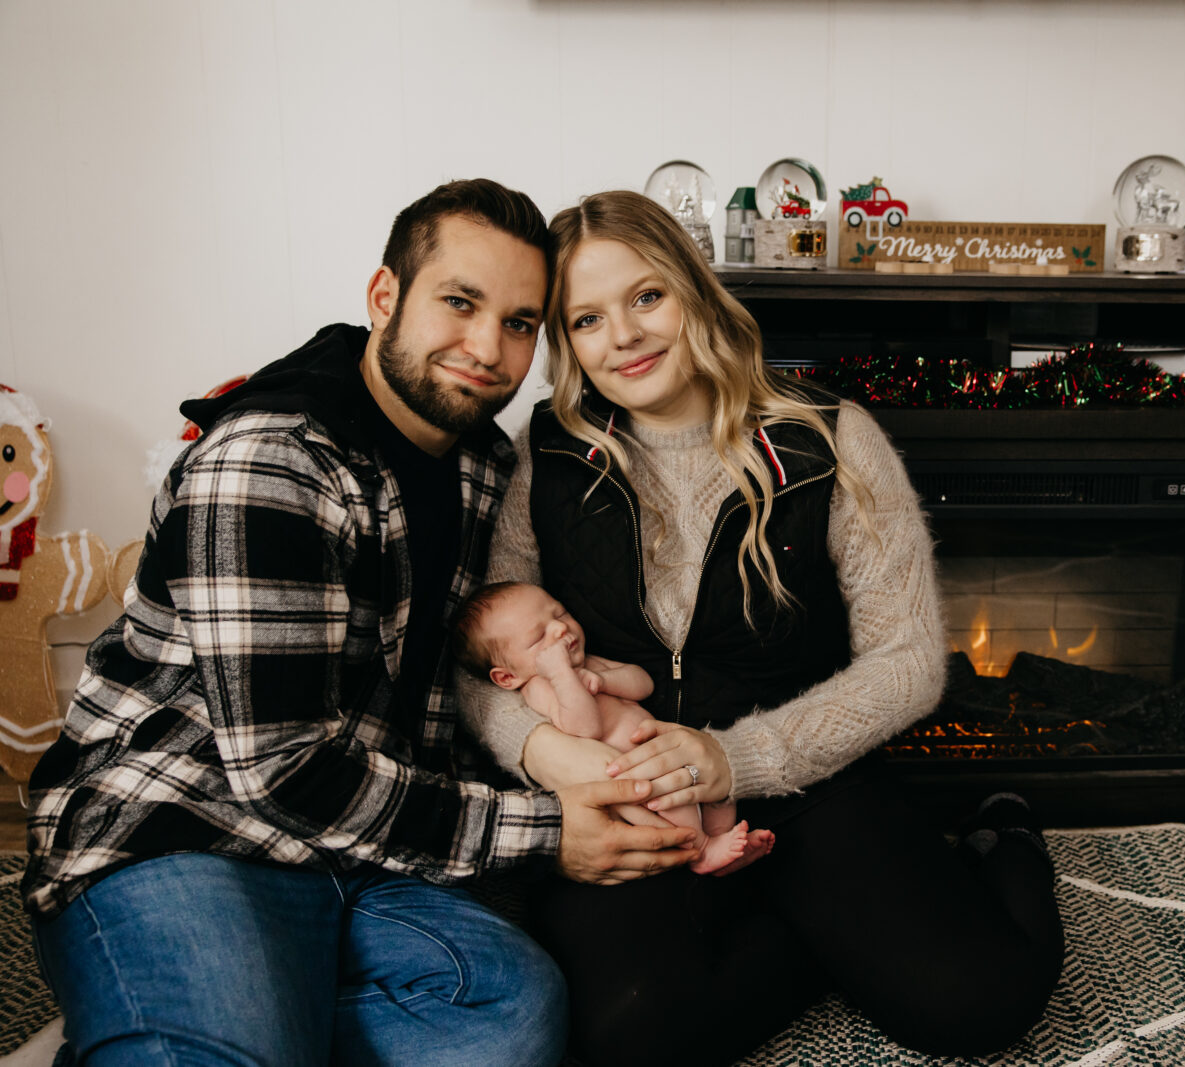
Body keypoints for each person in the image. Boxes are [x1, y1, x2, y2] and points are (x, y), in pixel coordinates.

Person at [22, 179, 700, 1067]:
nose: (487, 347)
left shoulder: (484, 463)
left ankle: (194, 1025)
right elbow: (282, 769)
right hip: (189, 826)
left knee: (512, 1018)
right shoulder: (269, 460)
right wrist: (545, 828)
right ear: (386, 297)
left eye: (520, 321)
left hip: (366, 851)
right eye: (460, 302)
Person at [458, 189, 1064, 1066]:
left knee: (978, 1005)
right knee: (620, 1036)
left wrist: (735, 759)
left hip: (810, 776)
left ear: (695, 290)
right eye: (586, 318)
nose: (622, 336)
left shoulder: (829, 436)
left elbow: (907, 666)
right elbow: (482, 663)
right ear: (566, 340)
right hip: (636, 794)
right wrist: (550, 756)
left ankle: (1004, 836)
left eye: (647, 296)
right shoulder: (547, 453)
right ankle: (814, 931)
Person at [453, 580, 774, 875]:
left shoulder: (589, 662)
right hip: (634, 776)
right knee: (673, 803)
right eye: (538, 636)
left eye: (559, 613)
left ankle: (721, 840)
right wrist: (564, 676)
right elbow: (585, 727)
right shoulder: (539, 687)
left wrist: (605, 679)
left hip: (664, 753)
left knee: (717, 790)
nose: (559, 628)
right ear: (507, 677)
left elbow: (642, 684)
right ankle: (702, 852)